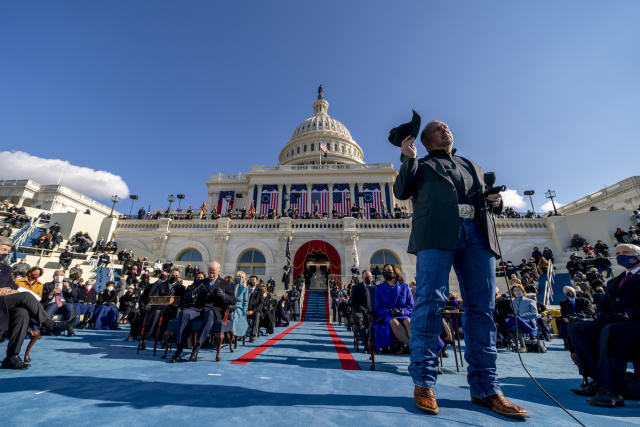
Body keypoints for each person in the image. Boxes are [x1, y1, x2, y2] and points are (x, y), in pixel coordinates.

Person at [393, 120, 529, 418]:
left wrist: (495, 202)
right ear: (426, 141)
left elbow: (485, 201)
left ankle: (486, 386)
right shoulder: (421, 165)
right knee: (430, 303)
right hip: (437, 233)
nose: (446, 130)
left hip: (477, 234)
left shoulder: (472, 166)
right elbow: (402, 190)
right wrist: (408, 157)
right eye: (438, 129)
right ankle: (424, 382)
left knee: (481, 308)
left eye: (447, 127)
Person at [568, 243, 640, 407]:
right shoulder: (615, 281)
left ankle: (611, 391)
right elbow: (604, 304)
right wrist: (602, 314)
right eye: (618, 253)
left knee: (612, 331)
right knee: (577, 328)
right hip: (616, 321)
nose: (621, 255)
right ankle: (598, 381)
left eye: (626, 252)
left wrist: (628, 314)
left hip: (635, 323)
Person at [0, 237, 73, 369]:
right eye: (3, 249)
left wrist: (11, 291)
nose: (5, 253)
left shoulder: (5, 269)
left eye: (8, 250)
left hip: (4, 302)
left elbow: (13, 287)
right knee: (26, 296)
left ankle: (11, 357)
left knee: (22, 313)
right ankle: (49, 324)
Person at [170, 261, 236, 362]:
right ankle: (179, 349)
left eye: (213, 272)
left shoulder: (225, 283)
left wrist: (224, 295)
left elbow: (233, 300)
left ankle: (196, 349)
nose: (211, 275)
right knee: (185, 313)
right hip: (198, 308)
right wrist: (194, 292)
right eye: (209, 272)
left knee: (209, 315)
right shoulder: (201, 282)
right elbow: (186, 298)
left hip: (213, 310)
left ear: (219, 271)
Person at [373, 264, 413, 352]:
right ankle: (413, 347)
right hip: (388, 316)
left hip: (403, 314)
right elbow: (378, 307)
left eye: (389, 271)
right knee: (393, 321)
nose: (386, 273)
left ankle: (413, 346)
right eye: (385, 271)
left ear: (395, 273)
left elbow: (411, 305)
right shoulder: (379, 288)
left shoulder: (405, 287)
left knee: (408, 321)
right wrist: (389, 311)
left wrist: (404, 312)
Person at [503, 283, 538, 352]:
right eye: (514, 290)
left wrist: (521, 315)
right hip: (517, 321)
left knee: (516, 323)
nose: (516, 292)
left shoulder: (530, 301)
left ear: (522, 290)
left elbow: (535, 314)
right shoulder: (512, 302)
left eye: (518, 290)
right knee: (507, 325)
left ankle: (523, 347)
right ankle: (517, 346)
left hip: (528, 322)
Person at [557, 285, 594, 350]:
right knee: (563, 321)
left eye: (571, 291)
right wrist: (571, 317)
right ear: (565, 294)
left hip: (583, 317)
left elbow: (590, 311)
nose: (569, 293)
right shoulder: (563, 303)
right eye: (567, 292)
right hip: (571, 319)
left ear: (575, 291)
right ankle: (567, 343)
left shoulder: (585, 300)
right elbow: (564, 313)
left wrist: (579, 316)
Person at [41, 270, 77, 336]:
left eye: (61, 276)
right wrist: (51, 293)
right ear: (54, 276)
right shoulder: (47, 285)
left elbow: (75, 296)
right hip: (52, 303)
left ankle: (69, 328)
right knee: (49, 310)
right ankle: (46, 328)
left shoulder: (69, 284)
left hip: (64, 303)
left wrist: (68, 288)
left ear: (64, 277)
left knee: (70, 306)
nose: (59, 277)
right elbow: (43, 297)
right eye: (57, 275)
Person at [232, 271, 249, 342]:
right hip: (231, 306)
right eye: (239, 277)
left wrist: (244, 311)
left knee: (235, 316)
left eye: (242, 277)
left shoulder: (245, 288)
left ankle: (233, 334)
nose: (240, 278)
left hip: (239, 307)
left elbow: (245, 301)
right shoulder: (231, 285)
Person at [246, 275, 264, 341]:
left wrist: (252, 311)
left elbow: (261, 303)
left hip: (255, 311)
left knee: (257, 315)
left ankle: (252, 335)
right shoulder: (246, 290)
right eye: (251, 280)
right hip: (246, 310)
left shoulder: (260, 291)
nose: (252, 281)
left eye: (253, 280)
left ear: (257, 282)